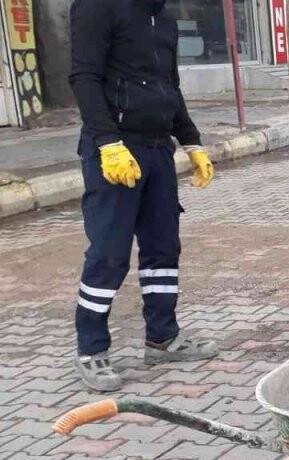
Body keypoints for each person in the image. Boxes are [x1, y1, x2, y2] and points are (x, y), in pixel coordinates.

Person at [69, 0, 219, 391]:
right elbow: (84, 77)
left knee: (163, 249)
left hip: (158, 150)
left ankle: (162, 338)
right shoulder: (96, 7)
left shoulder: (163, 18)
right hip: (116, 151)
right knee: (109, 253)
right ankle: (91, 349)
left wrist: (191, 141)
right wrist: (106, 142)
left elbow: (171, 87)